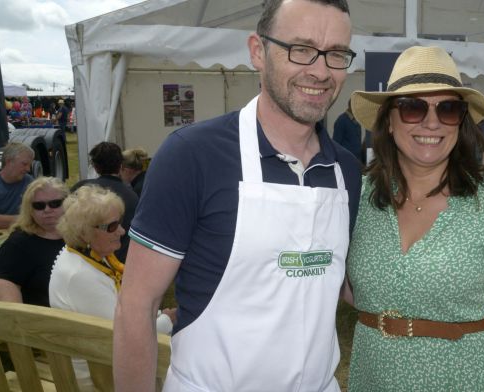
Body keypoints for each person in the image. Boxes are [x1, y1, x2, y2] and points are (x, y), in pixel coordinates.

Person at [113, 1, 361, 391]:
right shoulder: (192, 155)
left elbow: (343, 281)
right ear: (257, 52)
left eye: (336, 54)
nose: (320, 70)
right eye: (301, 49)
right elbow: (136, 306)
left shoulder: (345, 170)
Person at [345, 46, 484, 391]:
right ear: (389, 122)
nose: (432, 121)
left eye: (449, 109)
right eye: (412, 107)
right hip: (373, 378)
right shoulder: (354, 199)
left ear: (462, 122)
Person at [49, 185, 174, 390]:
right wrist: (168, 319)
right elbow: (128, 339)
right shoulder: (81, 276)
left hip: (100, 359)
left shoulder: (86, 256)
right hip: (97, 378)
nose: (123, 231)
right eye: (112, 226)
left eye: (120, 223)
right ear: (84, 232)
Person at [0, 177, 67, 306]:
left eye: (55, 203)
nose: (47, 210)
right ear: (30, 210)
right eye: (39, 206)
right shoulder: (18, 245)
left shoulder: (81, 236)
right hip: (44, 321)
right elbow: (4, 287)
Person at [72, 142, 138, 263]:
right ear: (121, 166)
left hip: (84, 261)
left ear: (95, 167)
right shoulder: (133, 197)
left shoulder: (79, 190)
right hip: (121, 264)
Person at [0, 142, 34, 230]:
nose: (28, 169)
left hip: (16, 231)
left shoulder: (28, 181)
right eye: (24, 164)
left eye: (29, 165)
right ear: (9, 161)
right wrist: (29, 219)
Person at [333, 98, 371, 164]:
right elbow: (336, 143)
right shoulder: (341, 120)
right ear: (350, 106)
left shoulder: (357, 121)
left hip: (357, 160)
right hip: (345, 161)